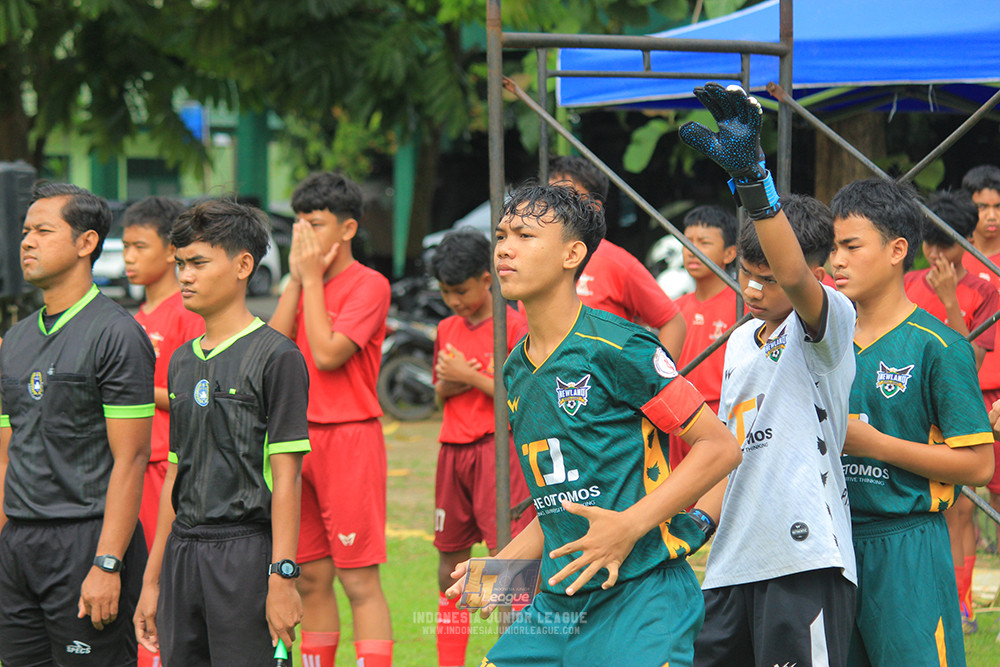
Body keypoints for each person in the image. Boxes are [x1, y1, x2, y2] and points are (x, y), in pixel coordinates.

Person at [446, 182, 742, 667]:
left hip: (641, 598)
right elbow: (557, 504)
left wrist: (629, 526)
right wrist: (502, 568)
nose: (504, 249)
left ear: (572, 254)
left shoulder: (621, 347)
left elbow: (720, 447)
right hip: (558, 605)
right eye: (501, 235)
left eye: (524, 236)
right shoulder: (516, 370)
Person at [678, 85, 858, 667]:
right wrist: (696, 519)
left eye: (768, 278)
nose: (753, 288)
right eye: (746, 274)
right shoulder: (738, 341)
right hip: (732, 563)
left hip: (804, 559)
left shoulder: (827, 322)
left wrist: (754, 183)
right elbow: (732, 448)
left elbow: (795, 274)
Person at [133, 199, 310, 666]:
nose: (184, 276)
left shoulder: (278, 357)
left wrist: (282, 576)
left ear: (243, 266)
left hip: (244, 554)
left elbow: (287, 477)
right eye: (180, 264)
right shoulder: (180, 361)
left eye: (198, 263)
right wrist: (152, 582)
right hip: (183, 553)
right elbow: (176, 475)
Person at [829, 177, 994, 666]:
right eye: (833, 248)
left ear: (897, 250)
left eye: (852, 246)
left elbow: (979, 465)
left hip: (908, 544)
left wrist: (876, 445)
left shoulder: (938, 346)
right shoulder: (824, 343)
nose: (837, 261)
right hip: (831, 543)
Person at [0, 182, 154, 665]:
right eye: (25, 231)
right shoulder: (14, 341)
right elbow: (7, 455)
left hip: (85, 543)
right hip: (18, 548)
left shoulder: (116, 334)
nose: (27, 242)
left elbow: (131, 459)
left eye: (43, 231)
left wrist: (107, 563)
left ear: (86, 242)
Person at [268, 171, 393, 667]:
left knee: (358, 580)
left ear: (347, 229)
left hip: (349, 438)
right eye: (298, 223)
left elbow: (325, 353)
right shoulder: (303, 284)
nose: (304, 235)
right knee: (311, 578)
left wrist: (311, 281)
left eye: (315, 224)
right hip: (297, 442)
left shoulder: (370, 285)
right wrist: (299, 282)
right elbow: (272, 350)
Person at [427, 228, 534, 667]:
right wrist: (450, 383)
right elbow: (440, 395)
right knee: (448, 565)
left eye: (461, 291)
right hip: (451, 451)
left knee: (506, 564)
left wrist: (469, 377)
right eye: (445, 292)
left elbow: (522, 401)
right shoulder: (446, 328)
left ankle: (515, 657)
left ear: (487, 280)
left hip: (497, 450)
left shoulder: (516, 326)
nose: (453, 301)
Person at [903, 190, 999, 634]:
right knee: (917, 506)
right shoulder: (905, 283)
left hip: (957, 411)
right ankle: (922, 594)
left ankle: (961, 602)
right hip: (908, 408)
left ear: (966, 241)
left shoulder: (984, 291)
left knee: (960, 510)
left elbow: (969, 364)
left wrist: (949, 301)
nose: (937, 253)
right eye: (930, 243)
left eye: (947, 243)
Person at [122, 196, 205, 552]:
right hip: (133, 460)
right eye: (125, 246)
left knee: (163, 566)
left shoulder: (188, 313)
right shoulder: (135, 317)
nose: (129, 257)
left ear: (172, 251)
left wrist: (125, 390)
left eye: (140, 247)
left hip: (168, 463)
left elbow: (197, 396)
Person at [548, 155, 687, 359]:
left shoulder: (615, 262)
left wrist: (654, 377)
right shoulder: (532, 258)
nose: (555, 205)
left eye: (566, 196)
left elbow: (673, 323)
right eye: (550, 196)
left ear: (594, 207)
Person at [669, 204, 739, 469]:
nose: (692, 250)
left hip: (722, 421)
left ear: (730, 253)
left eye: (704, 242)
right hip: (677, 421)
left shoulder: (744, 307)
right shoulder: (674, 309)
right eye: (687, 241)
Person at [960, 165, 1000, 558]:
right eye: (982, 206)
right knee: (961, 501)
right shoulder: (954, 257)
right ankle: (963, 590)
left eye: (998, 206)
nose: (990, 215)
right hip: (964, 391)